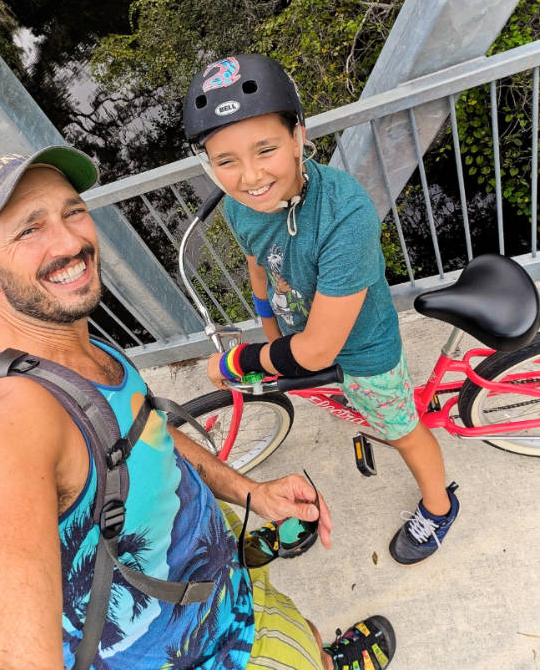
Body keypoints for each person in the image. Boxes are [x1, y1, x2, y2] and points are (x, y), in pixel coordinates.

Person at [0, 146, 397, 670]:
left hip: (224, 588)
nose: (71, 241)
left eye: (72, 211)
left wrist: (251, 492)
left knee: (299, 636)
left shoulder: (92, 351)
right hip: (196, 654)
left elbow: (147, 434)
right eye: (29, 230)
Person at [183, 54, 460, 565]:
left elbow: (316, 351)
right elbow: (258, 265)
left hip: (361, 351)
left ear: (298, 138)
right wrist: (269, 336)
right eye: (226, 161)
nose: (249, 176)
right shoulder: (244, 203)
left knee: (404, 432)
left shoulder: (345, 216)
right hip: (305, 337)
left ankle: (440, 507)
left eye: (265, 149)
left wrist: (238, 361)